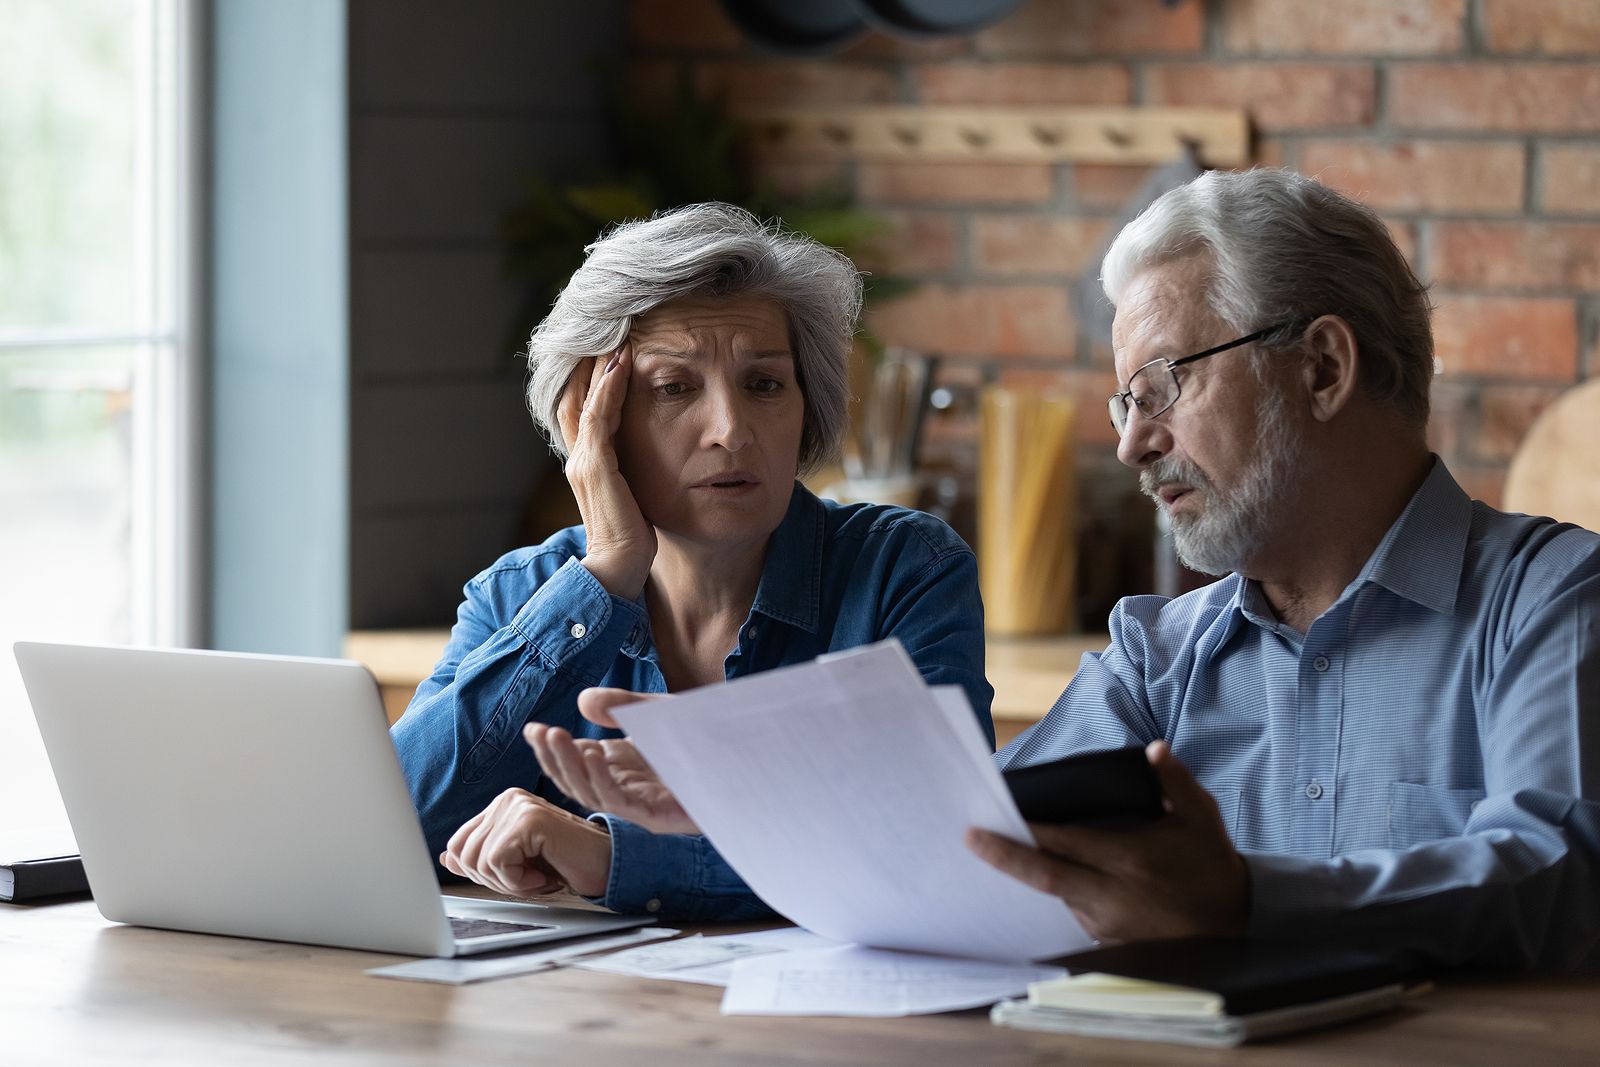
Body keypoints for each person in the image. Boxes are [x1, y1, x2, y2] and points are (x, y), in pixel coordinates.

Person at [539, 169, 1600, 970]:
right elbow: (976, 848)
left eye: (1161, 387)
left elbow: (1562, 877)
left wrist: (1241, 899)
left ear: (1321, 366)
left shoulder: (1553, 601)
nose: (1134, 444)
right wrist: (746, 804)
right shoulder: (1155, 655)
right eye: (1123, 402)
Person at [390, 203, 992, 922]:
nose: (732, 430)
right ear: (592, 421)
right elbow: (384, 829)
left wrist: (614, 858)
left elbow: (941, 844)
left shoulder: (904, 569)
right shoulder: (522, 593)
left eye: (765, 384)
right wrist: (606, 573)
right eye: (675, 388)